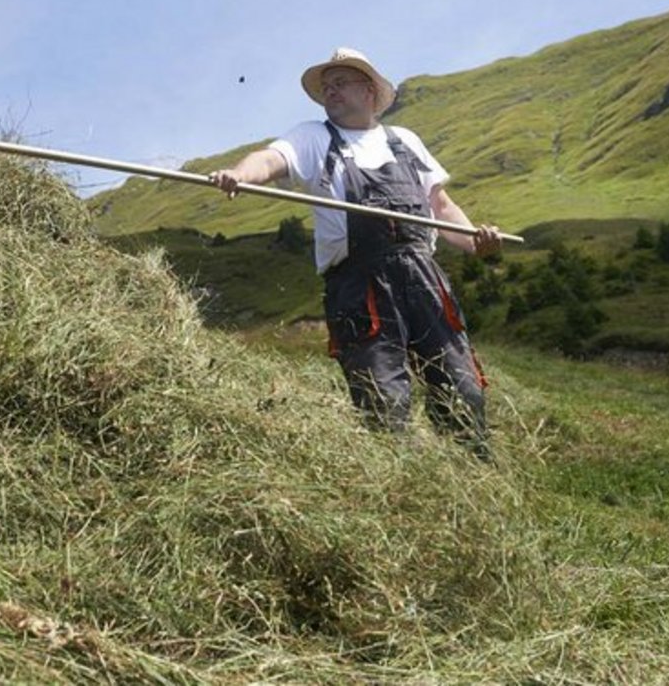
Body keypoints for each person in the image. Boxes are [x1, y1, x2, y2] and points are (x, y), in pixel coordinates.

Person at [209, 47, 508, 459]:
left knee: (461, 385)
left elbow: (440, 206)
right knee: (383, 397)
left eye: (339, 83)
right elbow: (270, 159)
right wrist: (240, 175)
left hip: (423, 275)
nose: (330, 91)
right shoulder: (314, 137)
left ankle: (473, 477)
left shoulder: (405, 141)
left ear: (369, 90)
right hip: (360, 286)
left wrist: (476, 240)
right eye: (325, 86)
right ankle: (397, 487)